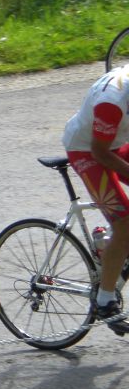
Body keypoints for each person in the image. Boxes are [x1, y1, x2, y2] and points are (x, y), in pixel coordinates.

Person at [64, 64, 129, 335]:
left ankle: (109, 246)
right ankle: (105, 301)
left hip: (117, 141)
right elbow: (100, 153)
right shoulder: (111, 103)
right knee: (126, 224)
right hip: (88, 151)